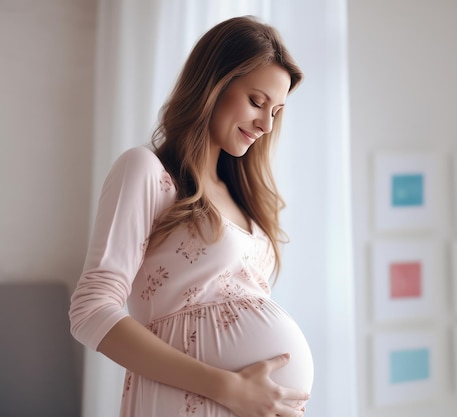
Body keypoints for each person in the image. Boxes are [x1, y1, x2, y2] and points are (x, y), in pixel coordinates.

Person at [69, 15, 314, 417]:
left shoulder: (244, 196)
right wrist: (228, 387)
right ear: (213, 85)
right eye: (256, 101)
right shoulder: (147, 172)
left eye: (277, 111)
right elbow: (91, 310)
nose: (266, 124)